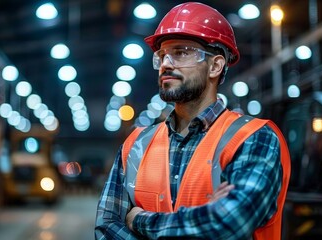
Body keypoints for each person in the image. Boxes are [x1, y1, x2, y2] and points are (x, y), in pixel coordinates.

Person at [95, 2, 291, 239]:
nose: (166, 64)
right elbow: (107, 226)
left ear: (215, 66)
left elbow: (226, 224)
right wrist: (204, 216)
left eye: (181, 52)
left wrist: (138, 219)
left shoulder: (254, 138)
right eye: (162, 55)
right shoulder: (136, 144)